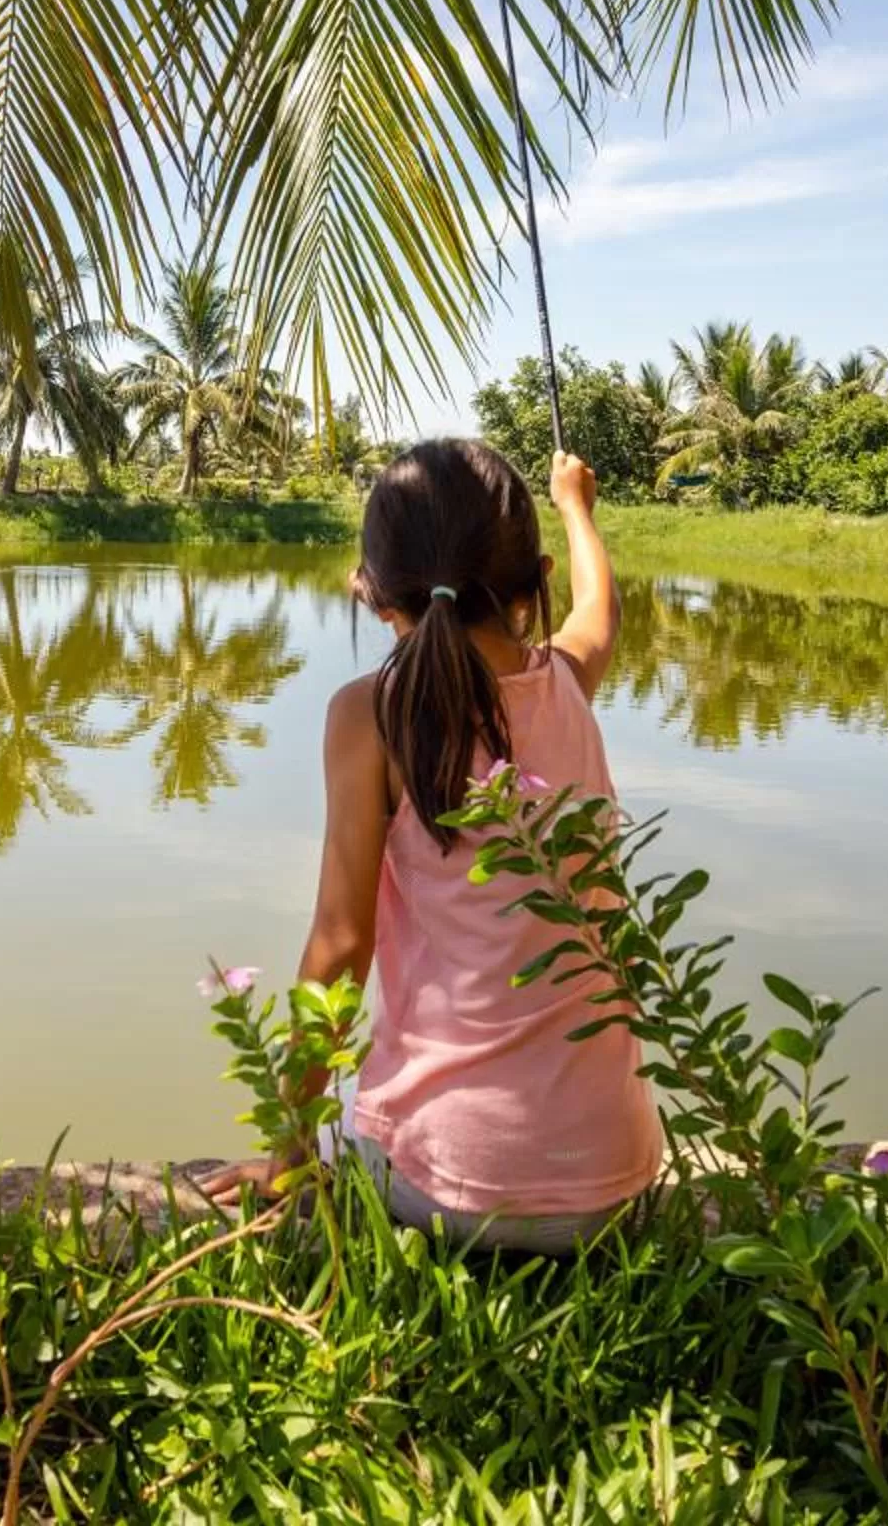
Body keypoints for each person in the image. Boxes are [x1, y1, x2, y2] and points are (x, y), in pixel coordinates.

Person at [210, 440, 658, 1250]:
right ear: (533, 585)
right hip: (611, 1183)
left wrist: (285, 1155)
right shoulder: (567, 684)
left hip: (445, 1191)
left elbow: (341, 945)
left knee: (339, 1112)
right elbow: (602, 610)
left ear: (379, 598)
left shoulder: (366, 717)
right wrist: (575, 506)